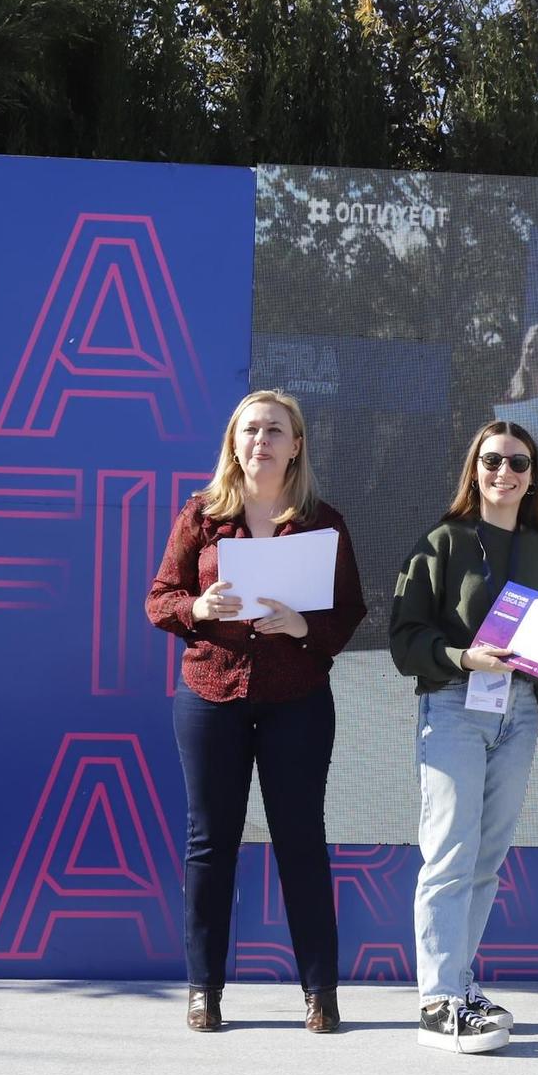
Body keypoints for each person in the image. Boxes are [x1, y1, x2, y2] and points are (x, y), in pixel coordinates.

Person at [146, 390, 367, 1034]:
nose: (261, 441)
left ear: (296, 444)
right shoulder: (202, 515)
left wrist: (303, 626)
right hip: (211, 695)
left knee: (301, 842)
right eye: (250, 430)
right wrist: (198, 610)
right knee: (209, 845)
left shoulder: (323, 521)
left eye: (275, 430)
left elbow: (349, 610)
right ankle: (203, 991)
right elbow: (160, 598)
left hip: (296, 699)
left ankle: (320, 994)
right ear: (233, 443)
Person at [389, 421, 538, 1054]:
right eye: (493, 460)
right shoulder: (442, 541)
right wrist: (466, 659)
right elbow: (405, 639)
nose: (506, 472)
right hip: (453, 704)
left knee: (487, 858)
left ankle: (461, 987)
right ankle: (436, 1000)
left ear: (533, 476)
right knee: (448, 852)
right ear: (475, 468)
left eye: (519, 463)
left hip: (519, 711)